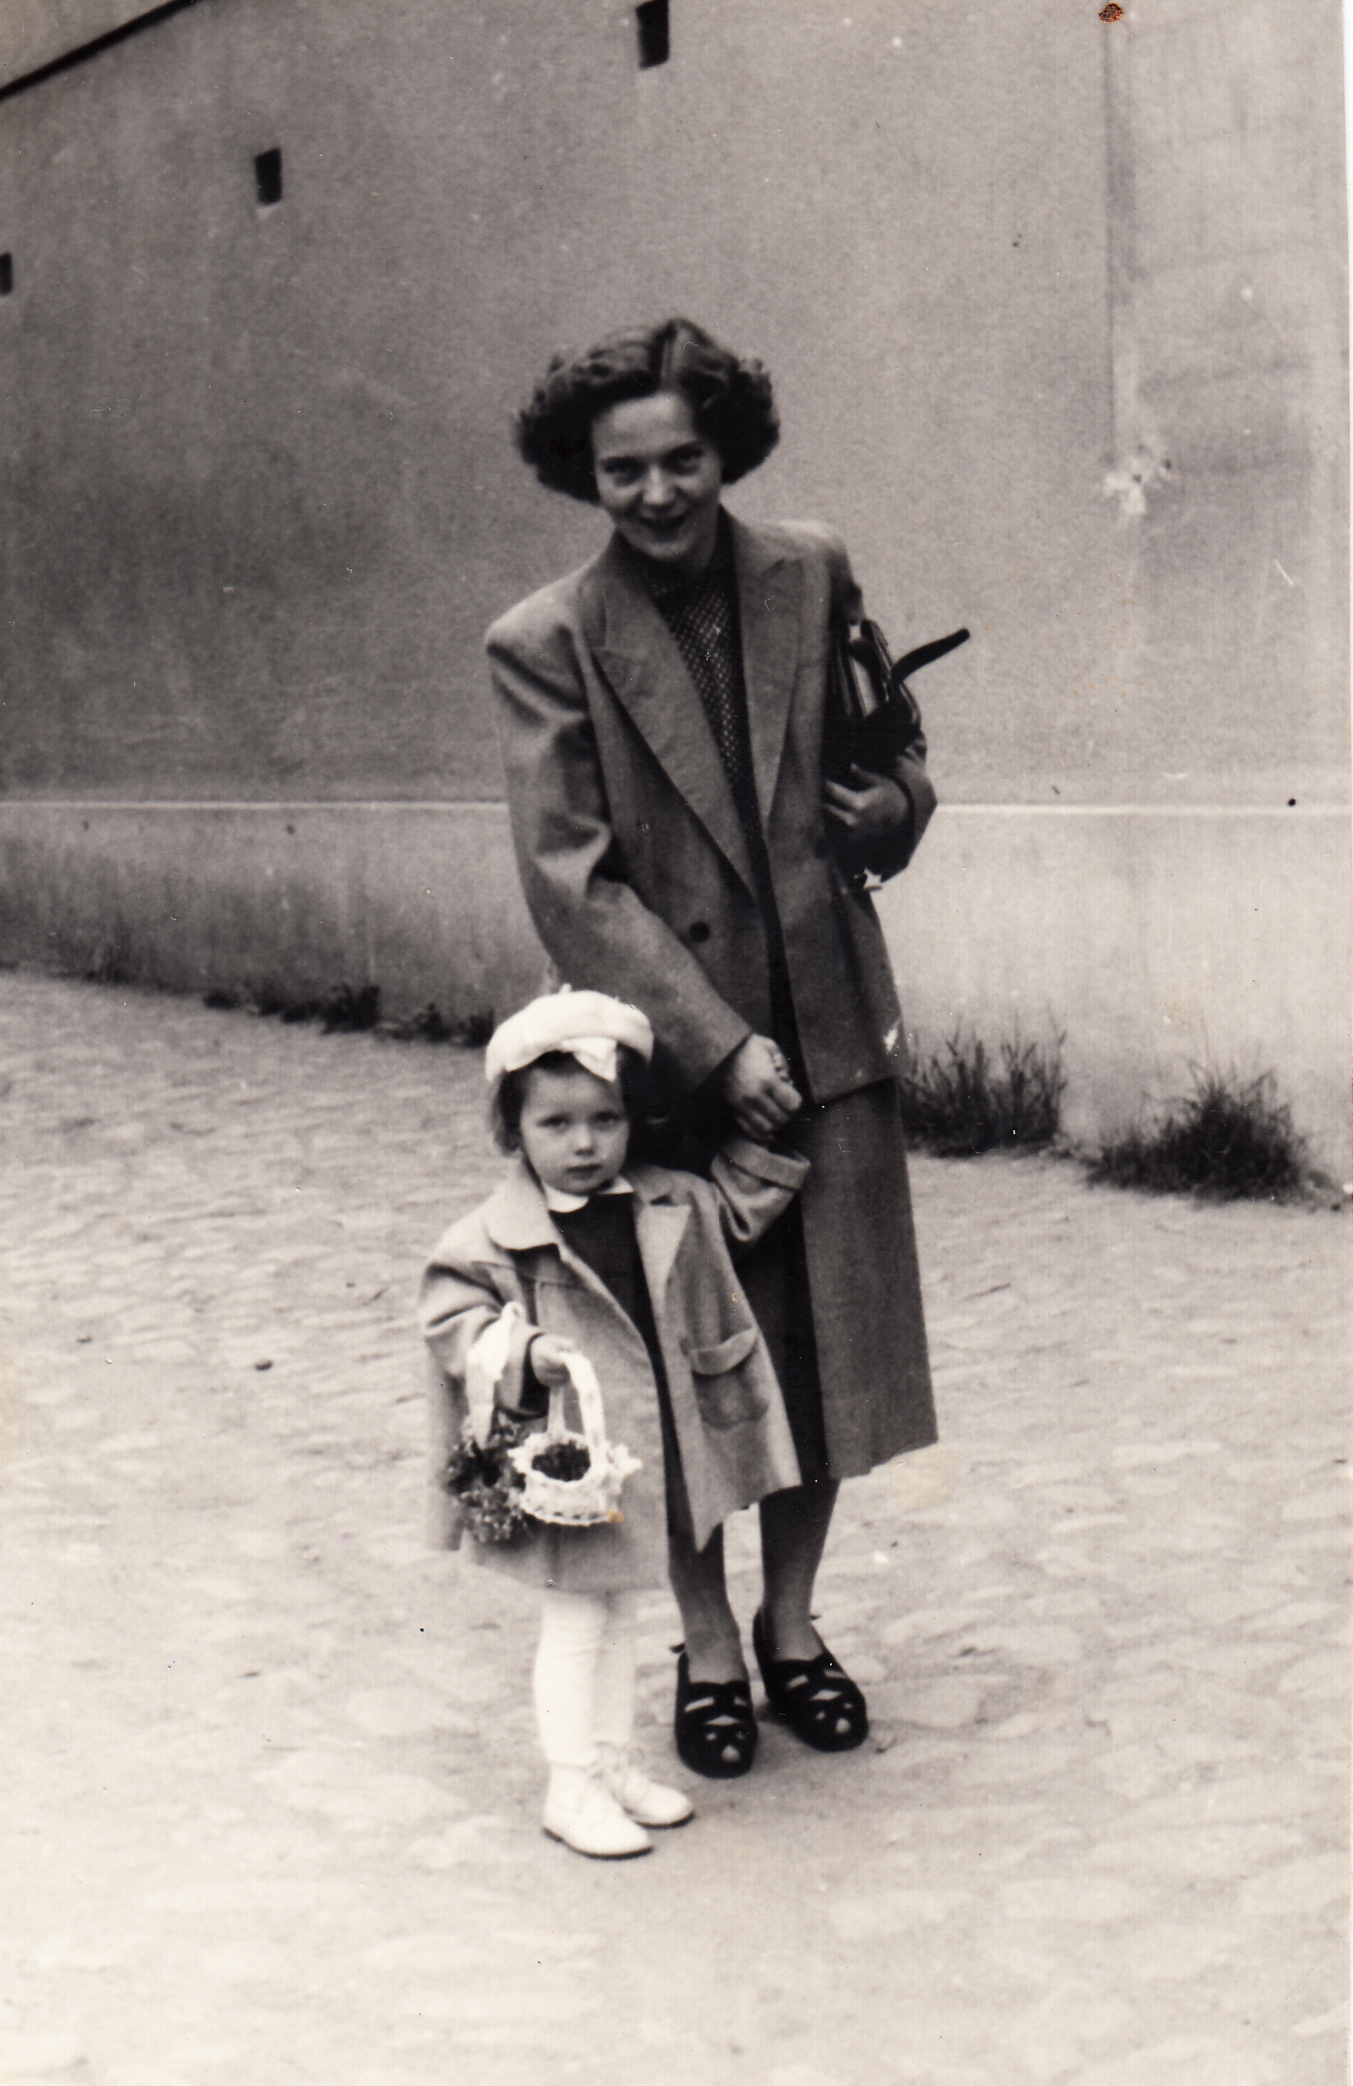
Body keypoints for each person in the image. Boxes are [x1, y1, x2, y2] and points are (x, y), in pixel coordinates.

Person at [485, 317, 939, 1778]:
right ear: (584, 474)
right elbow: (570, 880)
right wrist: (712, 1041)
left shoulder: (813, 571)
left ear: (726, 448)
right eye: (624, 469)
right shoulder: (546, 641)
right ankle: (710, 1646)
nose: (659, 491)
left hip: (829, 1028)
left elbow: (892, 747)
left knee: (826, 1358)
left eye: (683, 457)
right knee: (685, 1370)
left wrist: (896, 811)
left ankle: (792, 1627)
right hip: (668, 1069)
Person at [419, 988, 809, 1858]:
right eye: (555, 1124)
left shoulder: (666, 1201)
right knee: (574, 1623)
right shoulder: (494, 1236)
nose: (585, 1144)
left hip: (636, 1455)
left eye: (605, 1120)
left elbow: (740, 1206)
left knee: (621, 1612)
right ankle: (570, 1784)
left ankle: (610, 1762)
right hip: (564, 1463)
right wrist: (521, 1349)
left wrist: (769, 1126)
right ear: (512, 1130)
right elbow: (449, 1316)